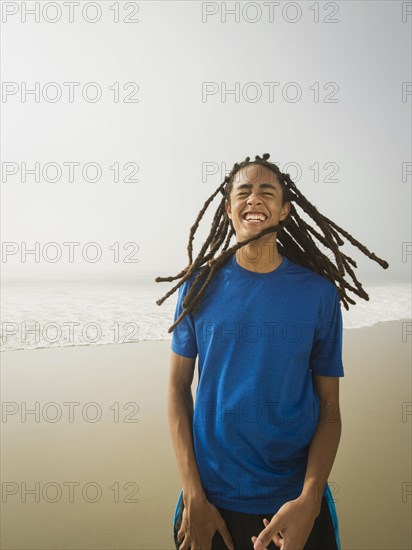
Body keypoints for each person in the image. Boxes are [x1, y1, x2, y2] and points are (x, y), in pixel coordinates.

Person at [156, 153, 389, 550]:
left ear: (284, 210)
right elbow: (178, 389)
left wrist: (310, 500)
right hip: (209, 501)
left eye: (267, 192)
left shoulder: (318, 294)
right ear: (228, 208)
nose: (254, 199)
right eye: (242, 192)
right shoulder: (198, 287)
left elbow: (329, 409)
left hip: (292, 504)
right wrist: (193, 493)